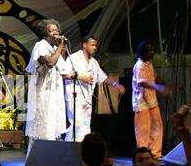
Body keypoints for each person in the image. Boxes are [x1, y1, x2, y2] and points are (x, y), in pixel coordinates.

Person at [64, 36, 125, 142]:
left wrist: (116, 84)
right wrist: (82, 77)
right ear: (84, 44)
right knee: (76, 125)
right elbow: (64, 73)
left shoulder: (94, 62)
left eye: (96, 45)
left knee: (85, 126)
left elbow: (102, 77)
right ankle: (68, 150)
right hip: (75, 97)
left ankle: (82, 151)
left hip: (87, 99)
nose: (95, 47)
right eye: (92, 45)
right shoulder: (73, 58)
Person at [25, 19, 70, 155]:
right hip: (43, 96)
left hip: (54, 96)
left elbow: (63, 69)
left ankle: (47, 163)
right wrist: (60, 48)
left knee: (52, 130)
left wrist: (60, 49)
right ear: (44, 33)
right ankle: (35, 164)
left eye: (56, 30)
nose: (55, 33)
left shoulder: (54, 49)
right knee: (42, 131)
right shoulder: (40, 46)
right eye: (51, 31)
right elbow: (50, 63)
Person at [132, 41, 172, 159]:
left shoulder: (149, 63)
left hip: (152, 102)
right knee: (143, 130)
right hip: (142, 103)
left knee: (157, 127)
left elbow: (153, 76)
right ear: (142, 52)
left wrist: (163, 82)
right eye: (149, 50)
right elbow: (142, 82)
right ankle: (143, 155)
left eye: (152, 50)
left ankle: (155, 153)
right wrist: (158, 87)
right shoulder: (139, 65)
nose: (152, 52)